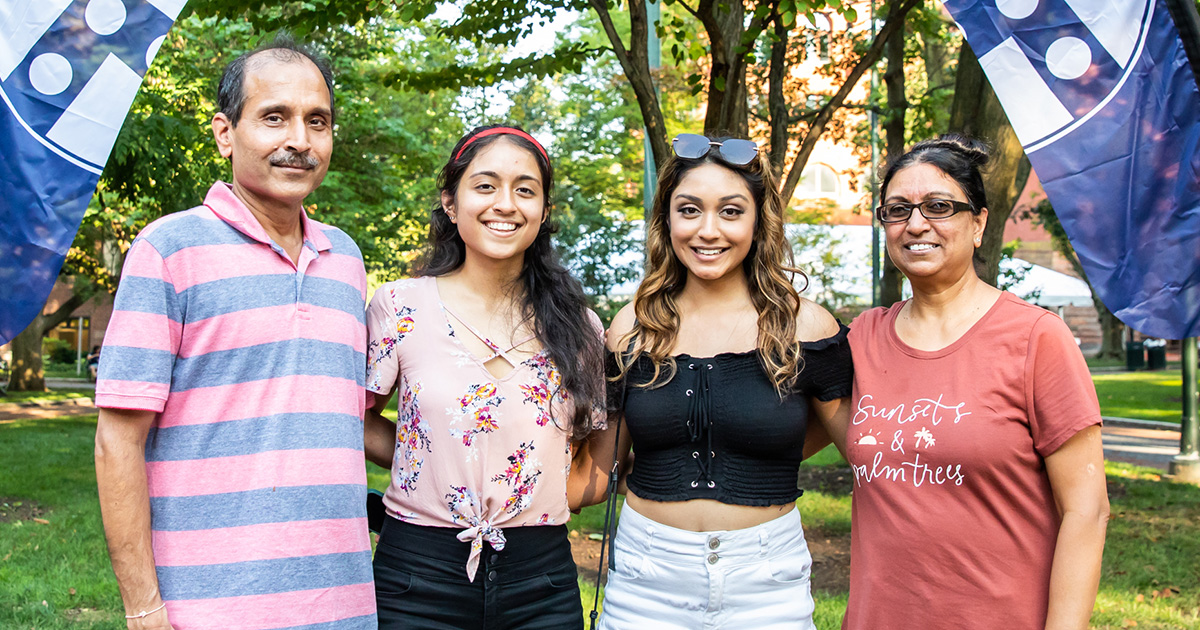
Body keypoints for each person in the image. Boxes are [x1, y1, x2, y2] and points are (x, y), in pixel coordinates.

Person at [94, 35, 375, 630]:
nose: (299, 140)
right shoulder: (168, 250)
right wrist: (144, 609)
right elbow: (117, 442)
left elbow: (347, 418)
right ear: (226, 132)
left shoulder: (346, 260)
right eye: (275, 118)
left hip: (344, 604)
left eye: (317, 121)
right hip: (209, 607)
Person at [840, 134, 1109, 629]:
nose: (915, 224)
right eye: (897, 210)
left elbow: (1087, 512)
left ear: (979, 222)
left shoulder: (1035, 337)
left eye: (938, 206)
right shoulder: (862, 337)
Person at [594, 133, 852, 629]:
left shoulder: (806, 327)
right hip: (646, 578)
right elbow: (602, 464)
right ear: (666, 219)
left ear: (759, 222)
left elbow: (859, 447)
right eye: (689, 210)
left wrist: (765, 450)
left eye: (731, 211)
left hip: (768, 581)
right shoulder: (632, 326)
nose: (707, 230)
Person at [362, 124, 607, 629]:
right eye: (485, 185)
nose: (506, 204)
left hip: (542, 578)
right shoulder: (400, 306)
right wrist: (428, 455)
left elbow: (588, 448)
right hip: (417, 573)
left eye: (525, 189)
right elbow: (354, 419)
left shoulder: (580, 328)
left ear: (543, 210)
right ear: (452, 203)